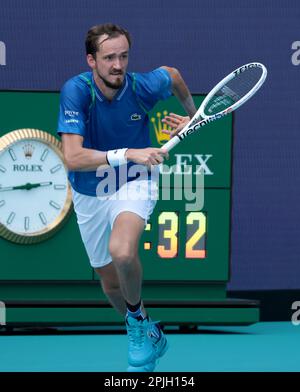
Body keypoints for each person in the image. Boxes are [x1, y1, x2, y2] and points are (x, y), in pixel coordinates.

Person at [57, 23, 196, 372]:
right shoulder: (76, 91)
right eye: (109, 58)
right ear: (91, 60)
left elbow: (174, 75)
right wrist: (129, 152)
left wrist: (191, 116)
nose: (118, 65)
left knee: (122, 250)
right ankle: (148, 330)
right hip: (89, 188)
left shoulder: (143, 86)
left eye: (123, 56)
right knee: (109, 285)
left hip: (134, 181)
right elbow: (73, 157)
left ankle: (135, 328)